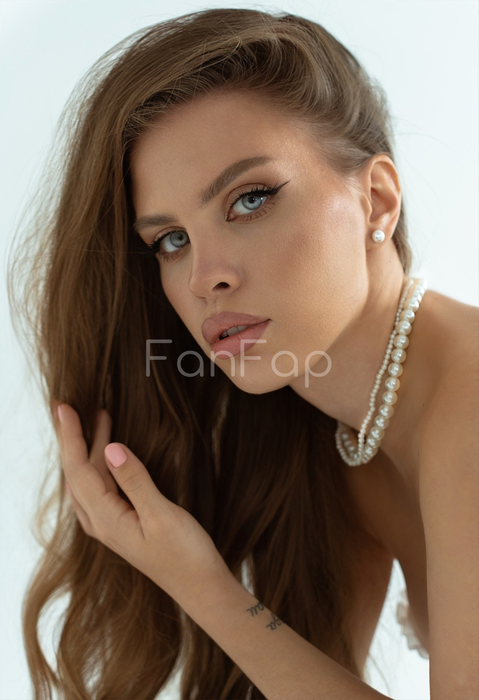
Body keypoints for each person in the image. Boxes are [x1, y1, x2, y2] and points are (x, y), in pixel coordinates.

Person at [8, 7, 478, 699]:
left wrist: (203, 585)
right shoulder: (344, 441)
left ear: (376, 200)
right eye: (171, 240)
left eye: (249, 200)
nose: (205, 278)